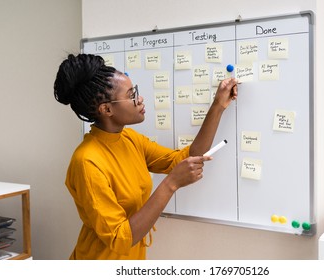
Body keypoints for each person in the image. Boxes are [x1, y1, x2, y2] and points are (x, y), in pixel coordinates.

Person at [53, 53, 238, 260]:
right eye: (131, 94)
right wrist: (171, 184)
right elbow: (119, 239)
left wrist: (218, 106)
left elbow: (190, 157)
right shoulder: (87, 162)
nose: (139, 99)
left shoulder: (130, 139)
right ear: (106, 109)